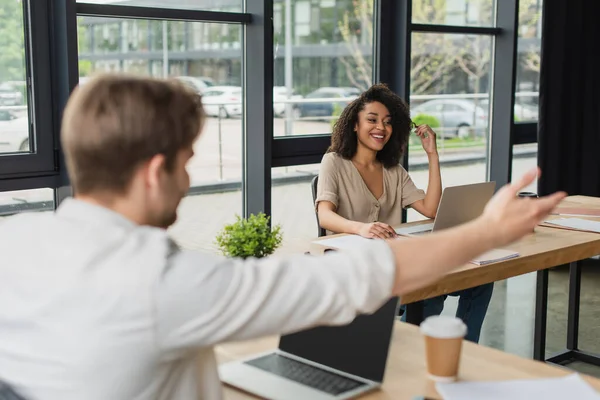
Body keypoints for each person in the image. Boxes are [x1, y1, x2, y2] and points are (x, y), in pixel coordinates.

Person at [0, 74, 565, 400]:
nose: (189, 180)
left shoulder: (15, 243)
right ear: (154, 172)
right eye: (186, 162)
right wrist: (488, 231)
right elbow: (360, 276)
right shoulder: (162, 284)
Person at [315, 83, 493, 343]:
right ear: (355, 124)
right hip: (356, 264)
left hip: (395, 260)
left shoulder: (392, 170)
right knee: (428, 288)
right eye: (372, 120)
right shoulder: (333, 162)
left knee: (481, 279)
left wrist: (432, 154)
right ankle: (419, 352)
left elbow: (431, 209)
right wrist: (362, 227)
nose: (381, 128)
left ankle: (465, 351)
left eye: (387, 122)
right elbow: (325, 216)